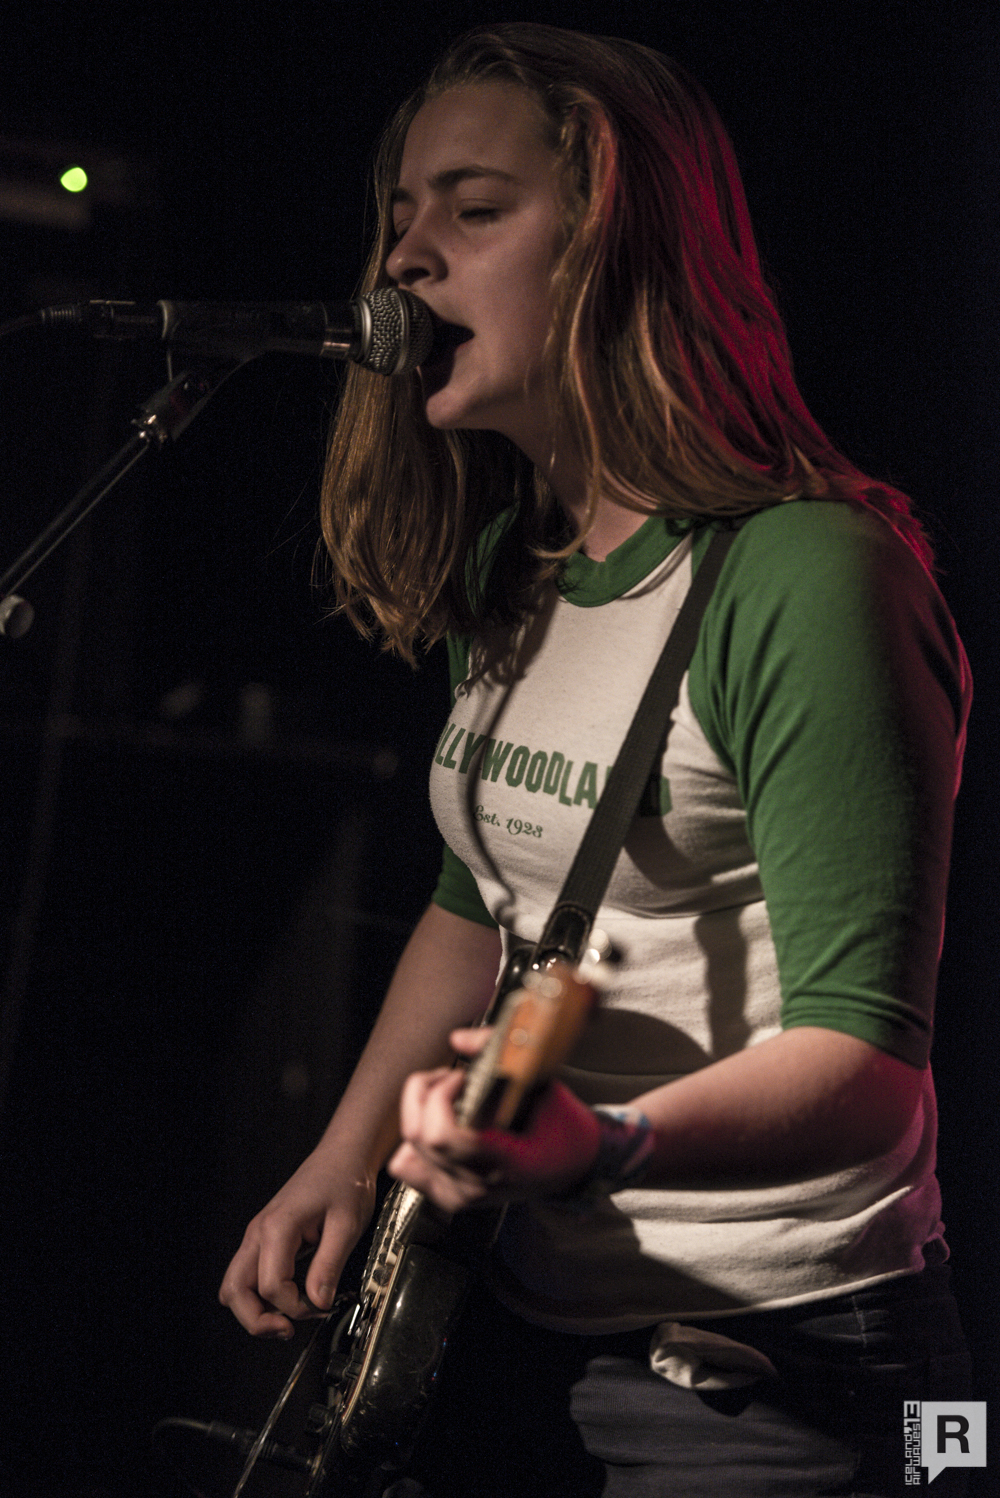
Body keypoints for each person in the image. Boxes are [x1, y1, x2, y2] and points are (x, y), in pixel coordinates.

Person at [220, 23, 973, 1497]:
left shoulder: (810, 576)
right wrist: (344, 1156)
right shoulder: (520, 563)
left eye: (474, 209)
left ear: (614, 255)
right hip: (531, 1318)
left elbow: (870, 1070)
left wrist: (598, 1143)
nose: (404, 260)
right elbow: (479, 901)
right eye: (400, 216)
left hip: (798, 1363)